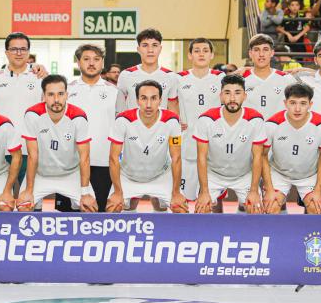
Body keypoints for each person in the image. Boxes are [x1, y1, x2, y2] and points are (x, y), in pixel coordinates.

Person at [17, 75, 98, 212]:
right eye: (51, 94)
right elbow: (32, 155)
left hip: (71, 174)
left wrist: (85, 192)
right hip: (41, 174)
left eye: (60, 94)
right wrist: (29, 190)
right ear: (43, 96)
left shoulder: (78, 117)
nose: (56, 100)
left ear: (67, 95)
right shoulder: (32, 114)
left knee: (90, 208)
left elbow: (84, 157)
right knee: (24, 207)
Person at [106, 79, 188, 213]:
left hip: (161, 176)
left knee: (181, 208)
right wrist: (118, 191)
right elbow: (113, 158)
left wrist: (176, 192)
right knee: (113, 207)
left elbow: (176, 158)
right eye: (144, 98)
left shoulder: (172, 120)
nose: (149, 104)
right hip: (128, 176)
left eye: (154, 98)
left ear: (161, 100)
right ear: (137, 100)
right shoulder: (123, 120)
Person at [194, 74, 267, 214]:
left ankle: (241, 234)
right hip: (214, 174)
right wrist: (204, 191)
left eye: (237, 93)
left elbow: (258, 157)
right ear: (221, 96)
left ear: (245, 96)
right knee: (201, 209)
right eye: (227, 93)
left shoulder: (255, 120)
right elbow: (201, 157)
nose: (232, 98)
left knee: (255, 209)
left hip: (244, 175)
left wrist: (253, 190)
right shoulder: (206, 119)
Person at [62, 44, 121, 212]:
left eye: (96, 59)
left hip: (104, 162)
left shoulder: (115, 92)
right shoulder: (67, 90)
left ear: (102, 63)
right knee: (70, 215)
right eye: (86, 59)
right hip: (73, 164)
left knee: (101, 215)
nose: (91, 63)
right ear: (78, 63)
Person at [260, 82, 321, 214]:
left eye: (303, 103)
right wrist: (269, 189)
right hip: (279, 173)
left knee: (317, 209)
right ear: (285, 103)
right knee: (270, 208)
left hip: (309, 175)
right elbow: (263, 156)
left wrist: (319, 190)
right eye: (293, 103)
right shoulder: (272, 124)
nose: (297, 109)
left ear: (310, 104)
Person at [0, 32, 45, 178]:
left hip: (31, 149)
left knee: (30, 198)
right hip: (0, 149)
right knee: (1, 199)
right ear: (6, 52)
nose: (19, 53)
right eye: (14, 49)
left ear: (29, 52)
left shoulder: (41, 78)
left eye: (23, 49)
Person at [175, 38, 223, 201]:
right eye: (196, 51)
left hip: (214, 144)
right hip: (186, 143)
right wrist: (175, 119)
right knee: (181, 197)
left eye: (205, 50)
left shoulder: (220, 77)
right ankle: (180, 227)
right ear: (189, 55)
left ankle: (217, 227)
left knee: (214, 199)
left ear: (211, 55)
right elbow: (169, 101)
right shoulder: (179, 78)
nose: (201, 54)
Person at [116, 28, 179, 111]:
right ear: (138, 49)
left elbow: (173, 109)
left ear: (160, 49)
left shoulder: (171, 76)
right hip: (132, 124)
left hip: (160, 124)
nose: (150, 50)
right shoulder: (126, 75)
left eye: (154, 45)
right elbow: (119, 108)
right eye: (145, 45)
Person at [241, 33, 298, 118]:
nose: (261, 54)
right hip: (250, 130)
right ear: (250, 53)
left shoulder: (286, 79)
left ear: (272, 53)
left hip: (278, 130)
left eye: (265, 49)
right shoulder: (241, 80)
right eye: (256, 50)